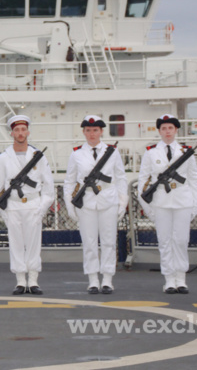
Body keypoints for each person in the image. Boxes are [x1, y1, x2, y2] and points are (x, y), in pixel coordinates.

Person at [136, 114, 197, 294]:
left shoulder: (185, 152)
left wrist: (195, 204)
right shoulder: (151, 152)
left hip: (183, 201)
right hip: (160, 202)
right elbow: (143, 181)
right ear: (159, 131)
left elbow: (194, 180)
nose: (167, 132)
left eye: (170, 128)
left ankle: (181, 278)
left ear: (176, 130)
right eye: (164, 128)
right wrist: (148, 208)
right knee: (165, 241)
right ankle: (169, 280)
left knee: (181, 240)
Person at [64, 115, 127, 294]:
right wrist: (70, 205)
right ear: (84, 132)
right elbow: (69, 182)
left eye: (95, 130)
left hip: (108, 200)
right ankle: (92, 279)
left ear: (101, 131)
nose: (92, 134)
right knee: (89, 243)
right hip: (86, 202)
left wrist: (122, 203)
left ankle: (107, 279)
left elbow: (121, 178)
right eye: (88, 130)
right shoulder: (76, 153)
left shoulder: (112, 152)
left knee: (108, 242)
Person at [0, 115, 55, 295]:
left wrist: (41, 208)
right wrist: (4, 212)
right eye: (16, 130)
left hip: (33, 204)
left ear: (28, 131)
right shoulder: (4, 158)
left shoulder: (38, 157)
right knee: (16, 244)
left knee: (34, 244)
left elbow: (48, 187)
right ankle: (20, 281)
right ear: (11, 133)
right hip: (13, 205)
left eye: (23, 129)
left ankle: (33, 280)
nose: (20, 133)